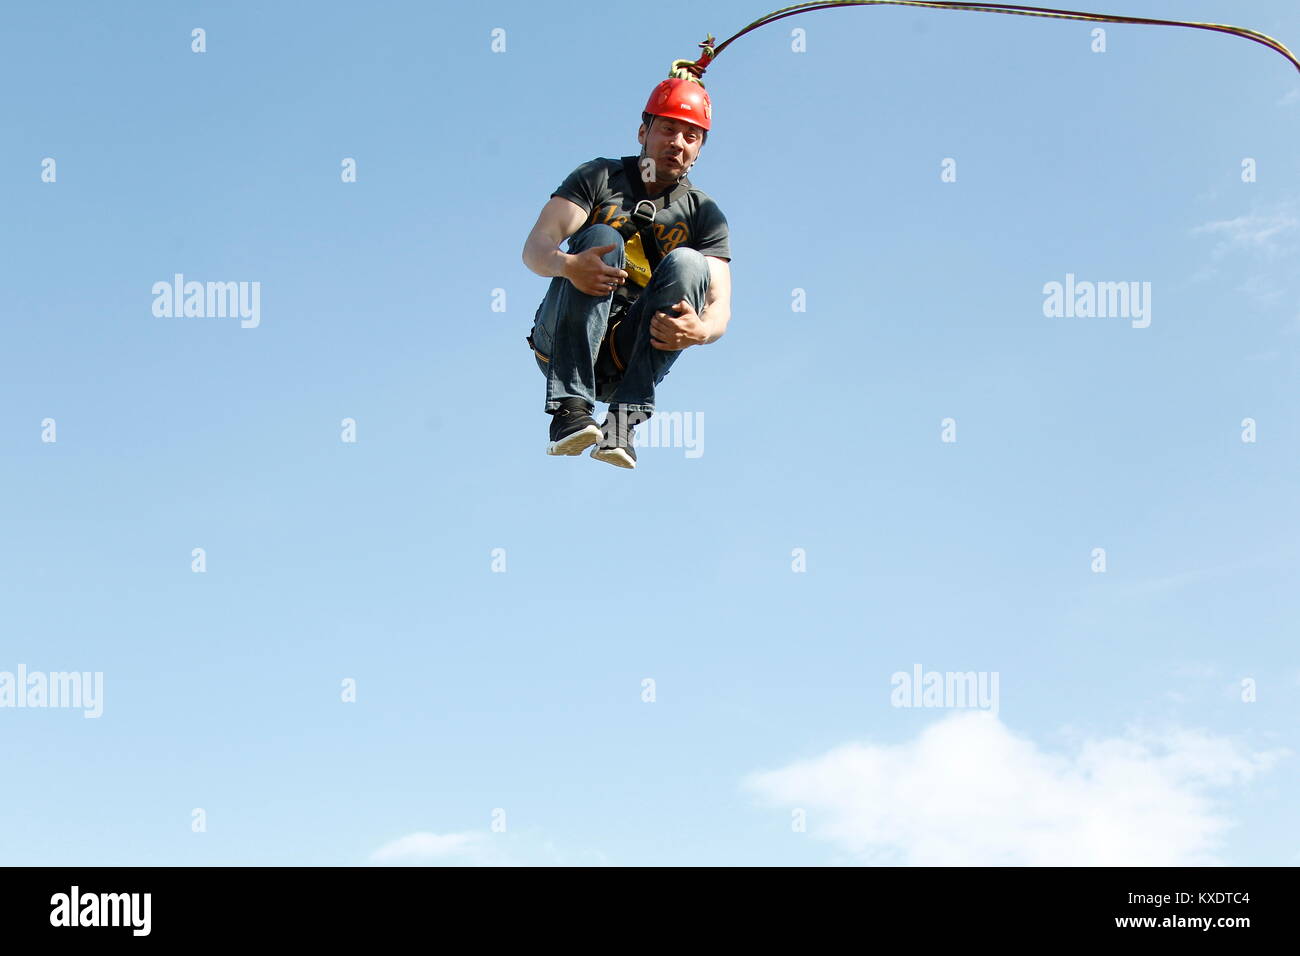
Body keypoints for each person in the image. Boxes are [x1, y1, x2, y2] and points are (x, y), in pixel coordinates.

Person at [521, 77, 733, 468]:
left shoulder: (704, 214)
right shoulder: (599, 177)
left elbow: (719, 305)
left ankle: (622, 424)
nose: (678, 143)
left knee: (689, 262)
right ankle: (570, 409)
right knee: (602, 235)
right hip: (563, 340)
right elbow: (536, 248)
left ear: (699, 149)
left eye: (691, 136)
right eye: (668, 129)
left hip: (627, 351)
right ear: (643, 131)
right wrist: (569, 266)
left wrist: (700, 332)